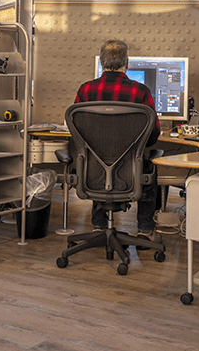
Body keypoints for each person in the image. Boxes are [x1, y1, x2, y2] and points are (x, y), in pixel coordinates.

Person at [74, 39, 162, 243]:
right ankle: (145, 230)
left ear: (101, 62)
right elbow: (153, 137)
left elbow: (77, 134)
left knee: (96, 158)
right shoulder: (140, 92)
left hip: (93, 173)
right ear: (127, 63)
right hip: (130, 172)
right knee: (149, 166)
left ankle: (98, 225)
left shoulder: (85, 91)